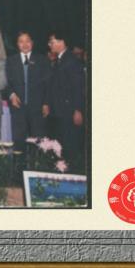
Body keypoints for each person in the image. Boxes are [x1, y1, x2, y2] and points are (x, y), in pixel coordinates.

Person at [2, 30, 50, 155]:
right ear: (17, 44)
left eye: (27, 41)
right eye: (21, 41)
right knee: (18, 140)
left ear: (32, 43)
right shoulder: (10, 61)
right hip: (18, 107)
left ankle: (39, 164)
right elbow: (6, 82)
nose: (24, 44)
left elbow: (47, 84)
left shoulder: (42, 60)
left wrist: (46, 103)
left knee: (39, 140)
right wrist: (12, 95)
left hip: (37, 108)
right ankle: (20, 165)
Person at [47, 30, 87, 170]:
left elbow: (78, 87)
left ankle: (70, 173)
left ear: (61, 42)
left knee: (69, 146)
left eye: (52, 42)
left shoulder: (71, 61)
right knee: (61, 145)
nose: (49, 45)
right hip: (60, 111)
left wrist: (78, 110)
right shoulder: (60, 59)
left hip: (69, 111)